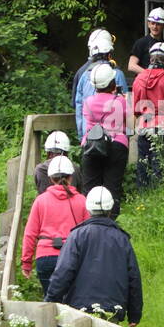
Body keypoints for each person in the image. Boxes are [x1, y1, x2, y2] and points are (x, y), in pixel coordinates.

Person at [45, 186, 143, 327]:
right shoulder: (122, 239)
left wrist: (51, 301)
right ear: (111, 209)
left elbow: (63, 271)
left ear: (88, 208)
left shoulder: (76, 236)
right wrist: (134, 313)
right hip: (111, 310)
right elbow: (133, 276)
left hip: (78, 309)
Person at [21, 156, 89, 296]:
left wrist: (26, 263)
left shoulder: (40, 201)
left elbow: (30, 234)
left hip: (45, 257)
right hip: (72, 256)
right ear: (71, 177)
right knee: (72, 303)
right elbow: (88, 234)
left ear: (51, 179)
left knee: (51, 301)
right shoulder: (82, 201)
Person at [81, 62, 129, 218]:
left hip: (91, 144)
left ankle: (88, 220)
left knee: (89, 187)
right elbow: (129, 124)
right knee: (112, 187)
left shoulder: (88, 102)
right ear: (112, 82)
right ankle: (111, 223)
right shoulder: (120, 101)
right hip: (116, 144)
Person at [132, 41, 164, 188]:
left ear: (150, 59)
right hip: (163, 127)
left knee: (143, 165)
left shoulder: (139, 79)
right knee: (159, 166)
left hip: (144, 126)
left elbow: (135, 108)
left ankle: (142, 196)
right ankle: (158, 196)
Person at [74, 29, 127, 139]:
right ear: (109, 54)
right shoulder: (117, 74)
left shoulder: (84, 75)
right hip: (114, 137)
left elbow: (79, 106)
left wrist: (81, 136)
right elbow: (126, 107)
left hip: (89, 136)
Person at [33, 131, 82, 195]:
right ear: (66, 152)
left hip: (45, 203)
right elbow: (80, 191)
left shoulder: (40, 169)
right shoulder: (75, 169)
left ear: (48, 152)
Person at [128, 7, 164, 77]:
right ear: (148, 24)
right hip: (144, 84)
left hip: (161, 84)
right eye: (153, 23)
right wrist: (150, 75)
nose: (155, 27)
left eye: (158, 24)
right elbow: (131, 65)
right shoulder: (141, 43)